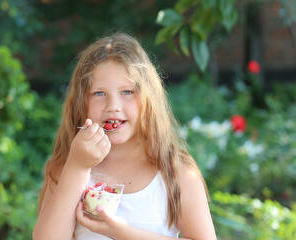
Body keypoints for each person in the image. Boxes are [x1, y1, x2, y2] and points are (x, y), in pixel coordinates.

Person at [32, 32, 217, 240]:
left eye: (127, 92)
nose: (113, 106)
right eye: (99, 93)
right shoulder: (67, 168)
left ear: (149, 99)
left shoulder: (175, 171)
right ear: (81, 103)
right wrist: (77, 166)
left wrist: (124, 233)